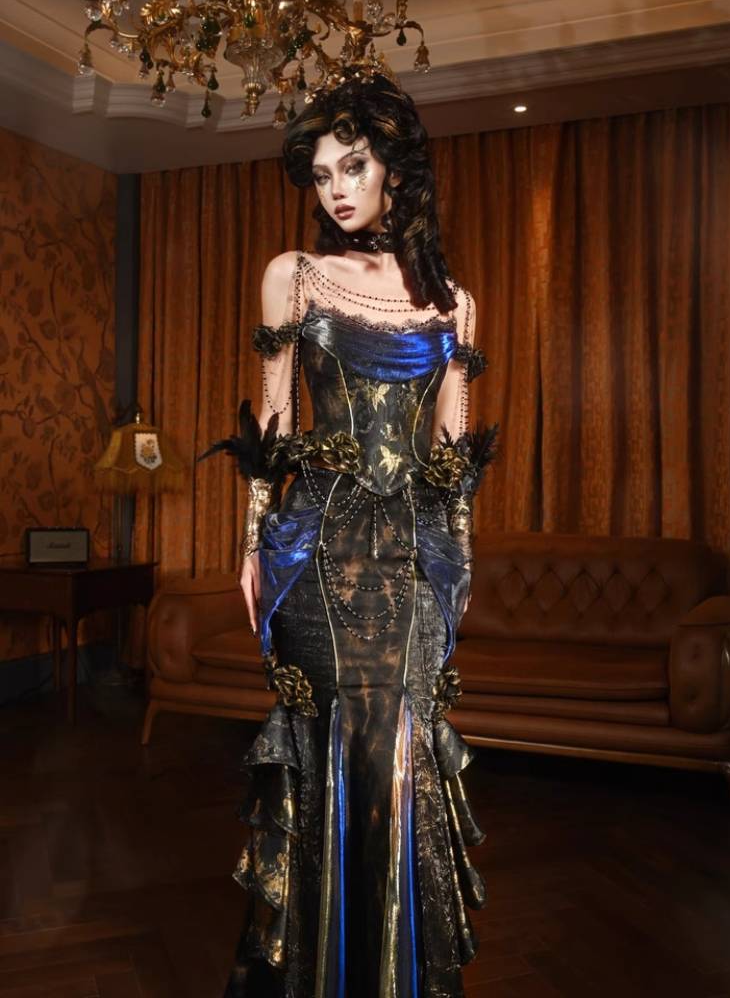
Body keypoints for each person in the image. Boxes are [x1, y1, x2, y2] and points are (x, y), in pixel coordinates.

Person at [215, 72, 497, 998]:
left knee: (400, 757)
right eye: (323, 173)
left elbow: (453, 449)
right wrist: (251, 546)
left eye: (355, 167)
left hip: (414, 560)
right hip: (318, 555)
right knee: (327, 748)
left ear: (395, 174)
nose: (336, 188)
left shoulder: (453, 303)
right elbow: (272, 423)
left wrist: (460, 562)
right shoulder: (293, 275)